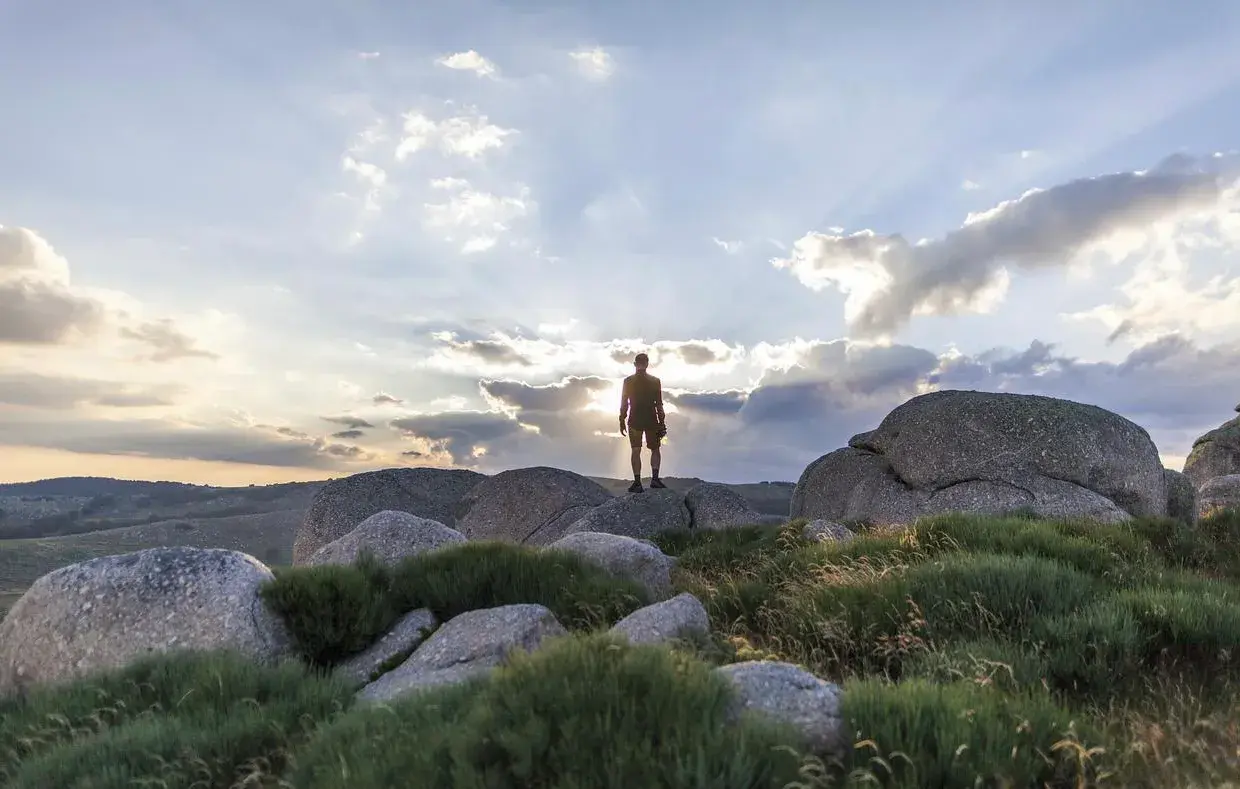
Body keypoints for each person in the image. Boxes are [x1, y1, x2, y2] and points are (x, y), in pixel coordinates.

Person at [619, 352, 667, 493]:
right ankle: (655, 479)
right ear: (647, 364)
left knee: (635, 450)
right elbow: (659, 404)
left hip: (634, 419)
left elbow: (624, 403)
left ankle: (637, 482)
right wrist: (662, 423)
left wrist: (622, 419)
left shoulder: (628, 381)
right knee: (655, 449)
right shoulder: (655, 381)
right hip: (652, 419)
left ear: (635, 364)